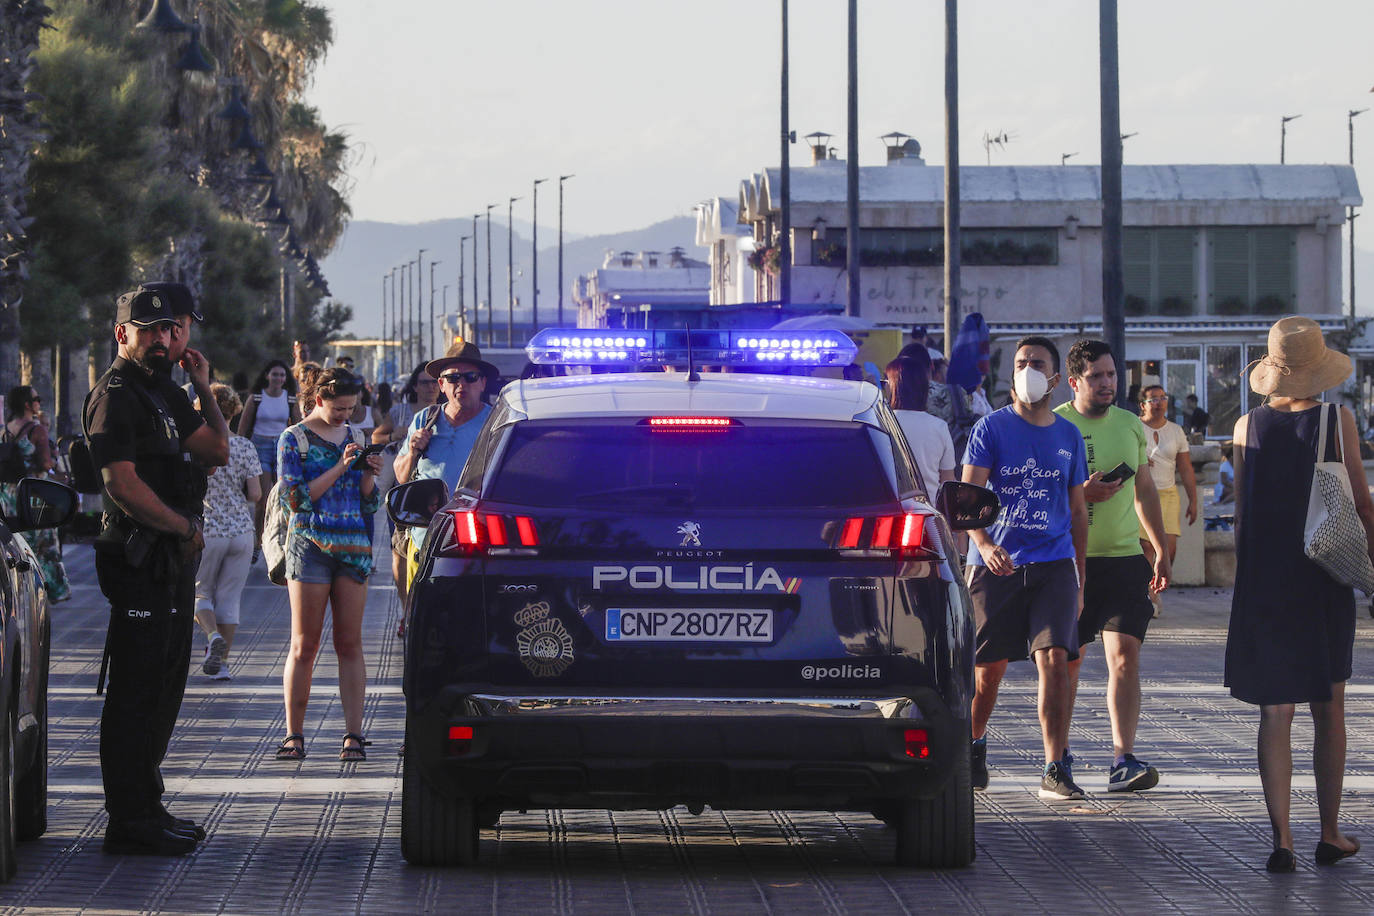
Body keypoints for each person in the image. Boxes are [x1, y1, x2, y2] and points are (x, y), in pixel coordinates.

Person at [83, 283, 228, 855]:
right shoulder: (115, 395)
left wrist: (202, 387)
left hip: (169, 561)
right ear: (123, 334)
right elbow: (120, 483)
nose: (164, 338)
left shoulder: (164, 391)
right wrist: (182, 527)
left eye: (173, 328)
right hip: (139, 557)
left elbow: (216, 449)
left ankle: (147, 803)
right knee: (135, 692)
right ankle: (128, 820)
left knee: (164, 687)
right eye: (150, 330)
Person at [1226, 316, 1369, 873]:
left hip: (1263, 581)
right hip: (1322, 579)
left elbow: (1242, 511)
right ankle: (1330, 833)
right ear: (1318, 369)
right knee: (1329, 708)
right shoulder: (1338, 420)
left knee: (1275, 712)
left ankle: (1282, 840)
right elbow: (1360, 502)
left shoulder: (1244, 427)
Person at [961, 336, 1089, 800]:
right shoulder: (990, 429)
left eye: (1036, 363)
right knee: (987, 672)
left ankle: (1056, 765)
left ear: (1055, 378)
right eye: (1020, 363)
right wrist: (984, 543)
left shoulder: (1068, 435)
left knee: (1056, 660)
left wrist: (1080, 574)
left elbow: (1077, 511)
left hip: (1053, 564)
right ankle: (973, 744)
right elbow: (966, 499)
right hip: (996, 567)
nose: (1027, 370)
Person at [1055, 340, 1172, 794]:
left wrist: (1158, 547)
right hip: (1070, 562)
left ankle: (1123, 759)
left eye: (1112, 374)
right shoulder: (1056, 425)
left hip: (1126, 559)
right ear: (1075, 382)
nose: (1108, 383)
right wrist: (1082, 495)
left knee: (1125, 658)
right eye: (1097, 376)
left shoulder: (1130, 424)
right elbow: (1041, 498)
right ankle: (1059, 757)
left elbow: (1144, 490)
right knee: (1068, 663)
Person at [276, 367, 383, 762]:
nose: (345, 417)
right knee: (305, 644)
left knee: (350, 643)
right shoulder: (295, 439)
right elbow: (296, 500)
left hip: (353, 547)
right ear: (318, 399)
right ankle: (294, 734)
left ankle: (354, 734)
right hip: (310, 546)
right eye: (339, 409)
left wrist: (370, 476)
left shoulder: (358, 437)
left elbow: (368, 503)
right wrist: (341, 466)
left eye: (351, 410)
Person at [394, 341, 496, 591]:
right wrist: (412, 450)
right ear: (441, 385)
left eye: (471, 377)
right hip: (424, 539)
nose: (461, 384)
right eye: (453, 378)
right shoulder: (425, 419)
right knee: (420, 620)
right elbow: (401, 476)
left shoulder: (495, 423)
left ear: (483, 383)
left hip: (475, 543)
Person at [194, 384, 262, 681]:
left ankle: (211, 638)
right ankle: (222, 665)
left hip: (209, 528)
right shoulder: (245, 446)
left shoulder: (198, 445)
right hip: (241, 530)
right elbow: (256, 494)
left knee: (200, 593)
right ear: (235, 411)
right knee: (230, 599)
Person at [375, 365, 441, 610]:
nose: (430, 387)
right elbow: (376, 437)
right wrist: (394, 436)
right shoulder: (401, 412)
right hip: (404, 491)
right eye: (424, 382)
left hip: (434, 495)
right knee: (399, 549)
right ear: (414, 386)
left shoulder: (447, 415)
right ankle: (406, 609)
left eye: (434, 382)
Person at [0, 385, 71, 601]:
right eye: (36, 399)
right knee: (44, 544)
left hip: (8, 494)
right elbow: (45, 462)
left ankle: (17, 588)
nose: (39, 402)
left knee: (16, 543)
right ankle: (48, 591)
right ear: (27, 404)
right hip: (33, 493)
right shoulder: (36, 430)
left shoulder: (7, 429)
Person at [1139, 384, 1199, 617]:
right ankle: (1149, 595)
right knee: (1146, 546)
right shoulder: (1135, 427)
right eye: (1153, 399)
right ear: (1143, 404)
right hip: (1142, 493)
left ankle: (1157, 585)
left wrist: (1193, 500)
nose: (1159, 402)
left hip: (1168, 493)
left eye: (1163, 398)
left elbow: (1185, 467)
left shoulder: (1175, 431)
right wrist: (1139, 460)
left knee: (1168, 548)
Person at [237, 359, 301, 558]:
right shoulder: (256, 398)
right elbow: (243, 427)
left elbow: (298, 427)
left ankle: (284, 540)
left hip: (282, 448)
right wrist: (239, 450)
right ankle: (258, 542)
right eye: (274, 374)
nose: (278, 378)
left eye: (282, 375)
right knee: (263, 499)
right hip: (260, 448)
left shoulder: (290, 399)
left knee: (285, 497)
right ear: (267, 376)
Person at [883, 352, 955, 504]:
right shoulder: (939, 427)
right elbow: (948, 482)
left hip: (886, 513)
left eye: (885, 382)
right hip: (927, 515)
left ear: (892, 386)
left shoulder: (880, 423)